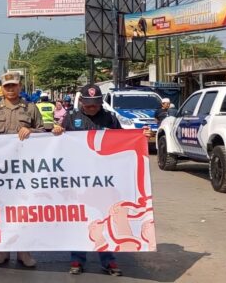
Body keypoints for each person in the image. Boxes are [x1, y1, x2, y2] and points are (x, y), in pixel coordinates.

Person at [52, 83, 152, 276]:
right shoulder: (71, 119)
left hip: (105, 180)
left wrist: (141, 136)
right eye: (88, 105)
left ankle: (108, 260)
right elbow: (57, 146)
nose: (92, 108)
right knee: (81, 219)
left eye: (95, 104)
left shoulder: (109, 118)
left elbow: (124, 139)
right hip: (79, 180)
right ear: (81, 102)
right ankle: (77, 259)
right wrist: (56, 133)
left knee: (106, 217)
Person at [0, 71, 42, 268]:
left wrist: (32, 131)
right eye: (7, 86)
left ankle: (23, 251)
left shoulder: (31, 108)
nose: (10, 89)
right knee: (1, 210)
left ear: (20, 87)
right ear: (2, 88)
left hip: (24, 169)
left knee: (23, 210)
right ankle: (3, 250)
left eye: (14, 86)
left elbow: (44, 132)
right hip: (0, 169)